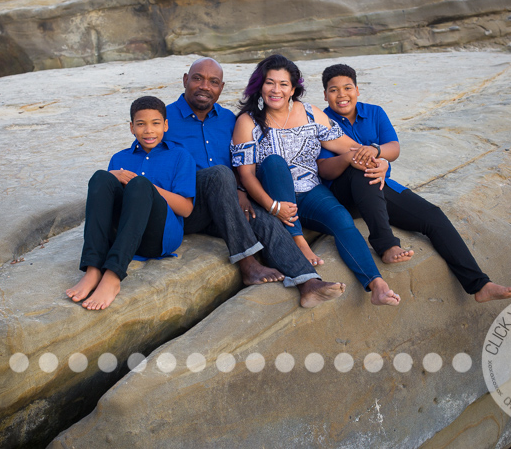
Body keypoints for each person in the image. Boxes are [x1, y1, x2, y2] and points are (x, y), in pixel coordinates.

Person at [317, 63, 511, 303]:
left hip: (377, 187)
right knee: (362, 172)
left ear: (358, 90)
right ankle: (386, 245)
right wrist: (352, 159)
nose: (342, 95)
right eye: (333, 90)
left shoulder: (374, 112)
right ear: (325, 95)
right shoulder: (322, 121)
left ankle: (479, 284)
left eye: (347, 87)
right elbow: (325, 171)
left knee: (432, 216)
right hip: (343, 194)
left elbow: (394, 148)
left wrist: (377, 153)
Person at [165, 57, 345, 308]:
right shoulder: (163, 119)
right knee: (219, 174)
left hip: (225, 206)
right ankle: (248, 264)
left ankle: (308, 283)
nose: (205, 86)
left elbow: (240, 165)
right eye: (197, 78)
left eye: (213, 82)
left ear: (221, 87)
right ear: (185, 80)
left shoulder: (229, 119)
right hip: (188, 208)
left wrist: (239, 191)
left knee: (265, 219)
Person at [232, 54, 401, 306]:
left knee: (342, 220)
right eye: (270, 83)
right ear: (260, 86)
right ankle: (298, 241)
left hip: (310, 192)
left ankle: (376, 284)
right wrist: (272, 206)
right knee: (275, 163)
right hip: (272, 196)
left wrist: (379, 158)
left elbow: (350, 147)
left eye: (283, 84)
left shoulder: (311, 114)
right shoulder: (248, 121)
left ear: (293, 89)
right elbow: (245, 174)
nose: (276, 90)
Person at [66, 96, 196, 310]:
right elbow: (106, 205)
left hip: (158, 237)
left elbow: (186, 208)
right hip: (123, 235)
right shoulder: (120, 158)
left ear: (165, 125)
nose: (148, 130)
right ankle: (93, 269)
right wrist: (113, 177)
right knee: (100, 177)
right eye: (141, 124)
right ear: (131, 127)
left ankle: (113, 275)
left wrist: (149, 187)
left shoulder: (180, 156)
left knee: (141, 184)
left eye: (155, 123)